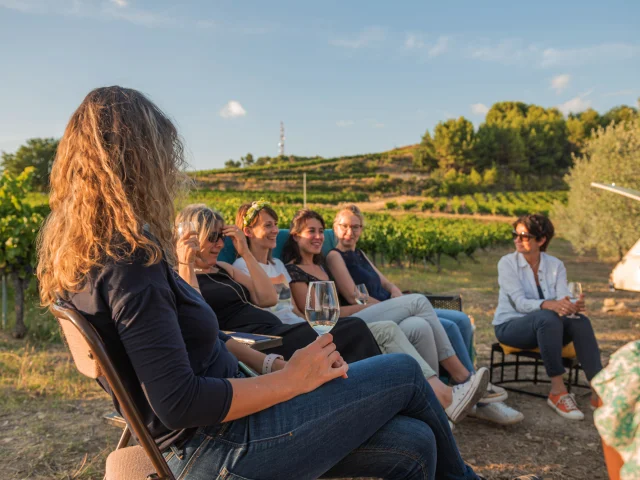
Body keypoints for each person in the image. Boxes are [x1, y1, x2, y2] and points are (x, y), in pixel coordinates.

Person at [37, 86, 487, 480]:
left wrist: (269, 368)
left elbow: (186, 351)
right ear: (141, 163)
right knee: (403, 371)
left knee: (414, 442)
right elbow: (179, 403)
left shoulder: (91, 257)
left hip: (219, 433)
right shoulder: (130, 263)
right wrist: (293, 380)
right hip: (219, 450)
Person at [232, 201, 487, 423]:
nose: (275, 229)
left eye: (276, 224)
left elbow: (298, 310)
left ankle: (435, 403)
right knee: (416, 305)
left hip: (303, 324)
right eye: (268, 225)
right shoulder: (242, 266)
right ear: (248, 231)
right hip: (286, 333)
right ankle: (457, 383)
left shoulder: (278, 264)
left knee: (418, 327)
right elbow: (269, 303)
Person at [326, 205, 521, 425]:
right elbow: (354, 297)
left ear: (361, 229)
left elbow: (386, 282)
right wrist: (395, 304)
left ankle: (449, 396)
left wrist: (395, 293)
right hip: (374, 309)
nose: (349, 232)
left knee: (443, 322)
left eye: (355, 227)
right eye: (344, 226)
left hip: (391, 304)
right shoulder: (335, 256)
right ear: (335, 227)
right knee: (424, 306)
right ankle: (463, 379)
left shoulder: (360, 254)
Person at [175, 203, 381, 364]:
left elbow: (268, 298)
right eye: (212, 237)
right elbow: (197, 321)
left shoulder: (224, 267)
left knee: (352, 331)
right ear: (191, 237)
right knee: (354, 328)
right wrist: (186, 261)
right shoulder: (180, 276)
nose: (220, 244)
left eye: (221, 236)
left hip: (276, 328)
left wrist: (245, 252)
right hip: (259, 341)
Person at [494, 213, 603, 420]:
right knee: (547, 317)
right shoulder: (507, 263)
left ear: (541, 240)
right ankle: (557, 391)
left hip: (548, 328)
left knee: (580, 321)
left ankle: (598, 390)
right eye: (515, 235)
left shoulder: (555, 265)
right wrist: (550, 305)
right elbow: (520, 303)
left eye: (524, 236)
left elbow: (563, 299)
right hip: (511, 327)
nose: (517, 240)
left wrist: (572, 306)